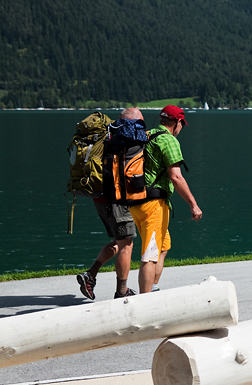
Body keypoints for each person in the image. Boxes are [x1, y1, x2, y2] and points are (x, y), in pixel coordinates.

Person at [130, 105, 202, 294]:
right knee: (149, 255)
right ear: (177, 122)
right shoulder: (168, 140)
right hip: (153, 205)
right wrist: (193, 205)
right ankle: (144, 302)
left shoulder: (145, 135)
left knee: (163, 246)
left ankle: (152, 288)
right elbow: (176, 177)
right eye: (182, 125)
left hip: (136, 201)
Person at [76, 107, 143, 300]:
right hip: (117, 197)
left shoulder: (107, 134)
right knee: (126, 245)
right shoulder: (129, 134)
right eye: (140, 121)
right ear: (132, 120)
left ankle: (90, 275)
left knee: (118, 241)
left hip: (100, 197)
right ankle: (122, 292)